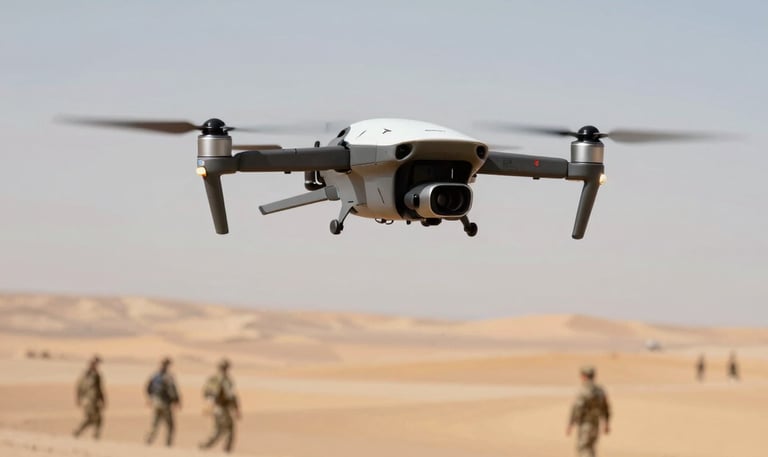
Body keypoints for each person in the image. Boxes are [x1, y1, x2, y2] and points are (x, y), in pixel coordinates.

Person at [566, 366, 611, 457]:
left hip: (585, 424)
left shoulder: (583, 391)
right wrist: (606, 423)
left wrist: (571, 423)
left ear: (584, 376)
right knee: (591, 448)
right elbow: (606, 408)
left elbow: (577, 409)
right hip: (595, 424)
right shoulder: (600, 391)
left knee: (583, 448)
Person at [199, 359, 240, 453]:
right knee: (229, 429)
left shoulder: (213, 378)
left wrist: (209, 405)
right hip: (223, 408)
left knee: (218, 430)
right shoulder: (226, 380)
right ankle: (226, 451)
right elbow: (231, 396)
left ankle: (205, 446)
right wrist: (236, 408)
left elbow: (206, 393)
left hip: (216, 408)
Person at [145, 357, 181, 446]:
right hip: (165, 404)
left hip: (156, 402)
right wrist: (176, 401)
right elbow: (172, 391)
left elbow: (148, 388)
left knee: (154, 424)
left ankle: (148, 441)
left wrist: (151, 398)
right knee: (170, 426)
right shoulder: (168, 377)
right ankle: (168, 445)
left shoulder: (155, 376)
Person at [73, 355, 106, 439]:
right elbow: (79, 387)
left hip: (90, 401)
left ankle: (78, 432)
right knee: (96, 419)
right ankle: (94, 436)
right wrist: (78, 398)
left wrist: (102, 399)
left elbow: (99, 390)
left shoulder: (93, 375)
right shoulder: (90, 376)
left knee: (91, 419)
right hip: (90, 401)